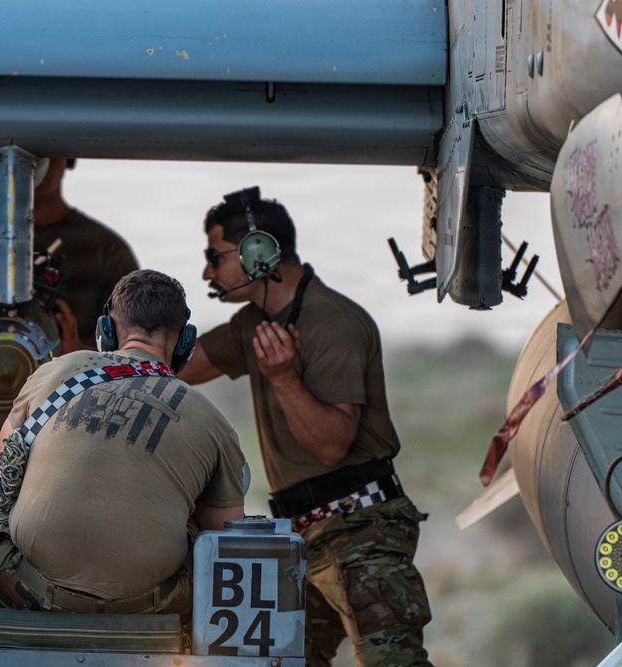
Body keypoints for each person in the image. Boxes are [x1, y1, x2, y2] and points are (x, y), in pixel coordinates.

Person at [180, 187, 433, 667]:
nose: (207, 272)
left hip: (361, 531)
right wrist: (107, 356)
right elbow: (177, 368)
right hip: (302, 537)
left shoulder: (334, 323)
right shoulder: (254, 324)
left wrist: (282, 376)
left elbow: (332, 445)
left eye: (215, 257)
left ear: (258, 252)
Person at [0, 269, 246, 617]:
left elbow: (1, 475)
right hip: (149, 606)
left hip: (29, 590)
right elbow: (227, 537)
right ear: (185, 342)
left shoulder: (54, 373)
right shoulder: (213, 421)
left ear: (106, 331)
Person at [0, 158, 139, 456]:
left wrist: (77, 354)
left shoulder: (106, 252)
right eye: (27, 150)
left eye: (49, 150)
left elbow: (131, 370)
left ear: (69, 157)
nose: (35, 161)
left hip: (73, 442)